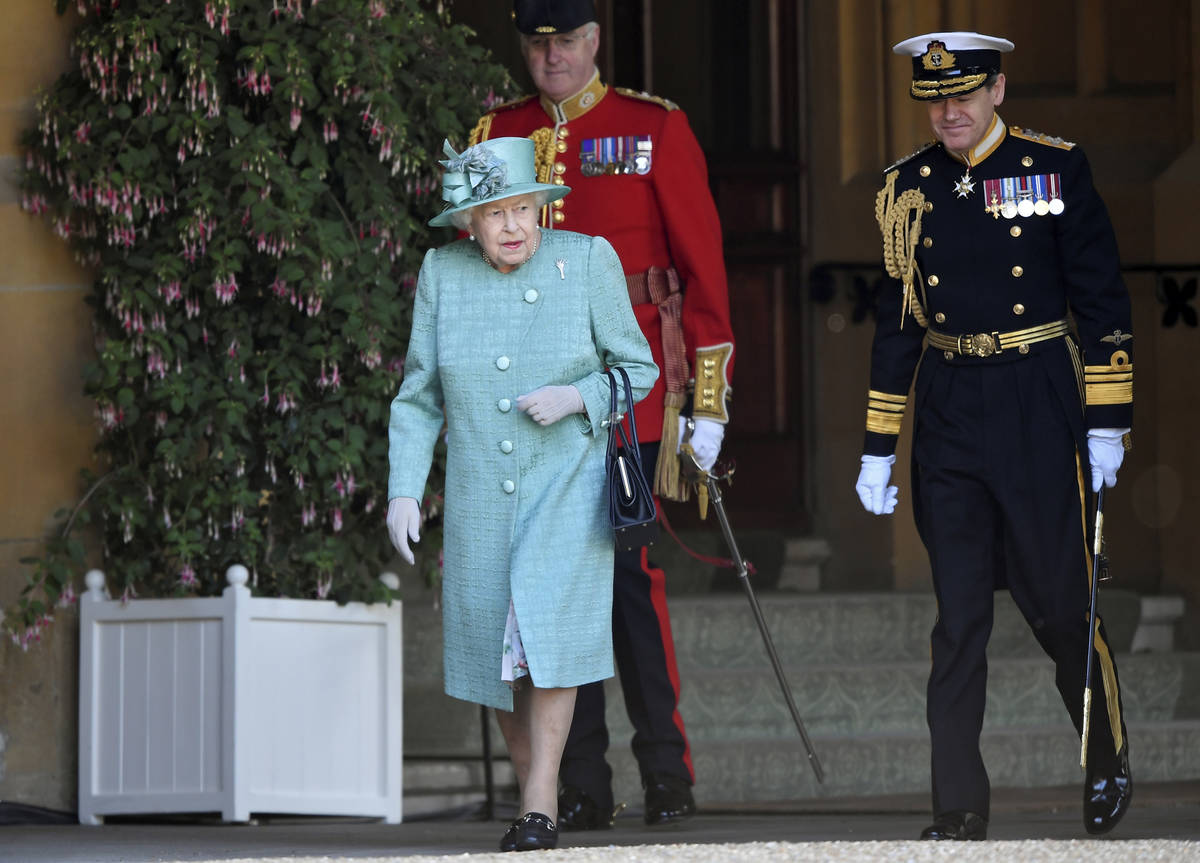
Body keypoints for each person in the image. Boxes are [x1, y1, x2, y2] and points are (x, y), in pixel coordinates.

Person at [856, 31, 1135, 840]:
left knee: (1059, 602)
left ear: (998, 90)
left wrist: (1107, 420)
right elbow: (898, 324)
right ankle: (958, 803)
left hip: (1036, 395)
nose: (949, 112)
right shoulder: (907, 188)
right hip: (949, 403)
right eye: (935, 100)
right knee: (959, 617)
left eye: (964, 95)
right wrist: (878, 444)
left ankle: (1106, 754)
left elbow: (1102, 299)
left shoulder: (1054, 167)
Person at [467, 0, 736, 830]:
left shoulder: (653, 127)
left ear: (592, 41)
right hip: (529, 397)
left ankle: (665, 768)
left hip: (629, 387)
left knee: (626, 578)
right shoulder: (496, 132)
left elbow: (701, 266)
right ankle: (579, 781)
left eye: (565, 41)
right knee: (547, 589)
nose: (551, 56)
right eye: (537, 42)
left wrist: (709, 397)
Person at [386, 135, 657, 852]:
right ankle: (536, 791)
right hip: (479, 495)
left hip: (565, 487)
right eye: (493, 213)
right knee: (493, 653)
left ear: (541, 208)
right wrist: (404, 489)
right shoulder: (442, 273)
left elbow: (639, 369)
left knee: (551, 641)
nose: (511, 226)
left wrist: (577, 396)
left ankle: (539, 803)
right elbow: (419, 396)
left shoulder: (587, 259)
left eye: (522, 209)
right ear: (468, 223)